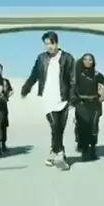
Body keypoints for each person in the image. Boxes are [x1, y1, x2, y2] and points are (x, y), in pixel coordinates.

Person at [21, 31, 75, 171]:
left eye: (51, 43)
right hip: (47, 97)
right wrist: (26, 88)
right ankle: (60, 154)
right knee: (54, 125)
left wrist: (72, 98)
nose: (49, 46)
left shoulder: (67, 58)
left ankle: (53, 153)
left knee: (60, 128)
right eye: (46, 44)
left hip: (63, 97)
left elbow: (72, 79)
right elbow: (34, 74)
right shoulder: (41, 58)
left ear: (56, 43)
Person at [71, 53, 104, 162]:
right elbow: (72, 87)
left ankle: (92, 149)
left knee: (94, 127)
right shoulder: (78, 74)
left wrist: (102, 96)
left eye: (90, 60)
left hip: (95, 103)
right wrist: (72, 100)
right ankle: (84, 150)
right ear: (82, 61)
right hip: (81, 103)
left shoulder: (97, 74)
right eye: (85, 60)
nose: (88, 62)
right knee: (83, 127)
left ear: (93, 62)